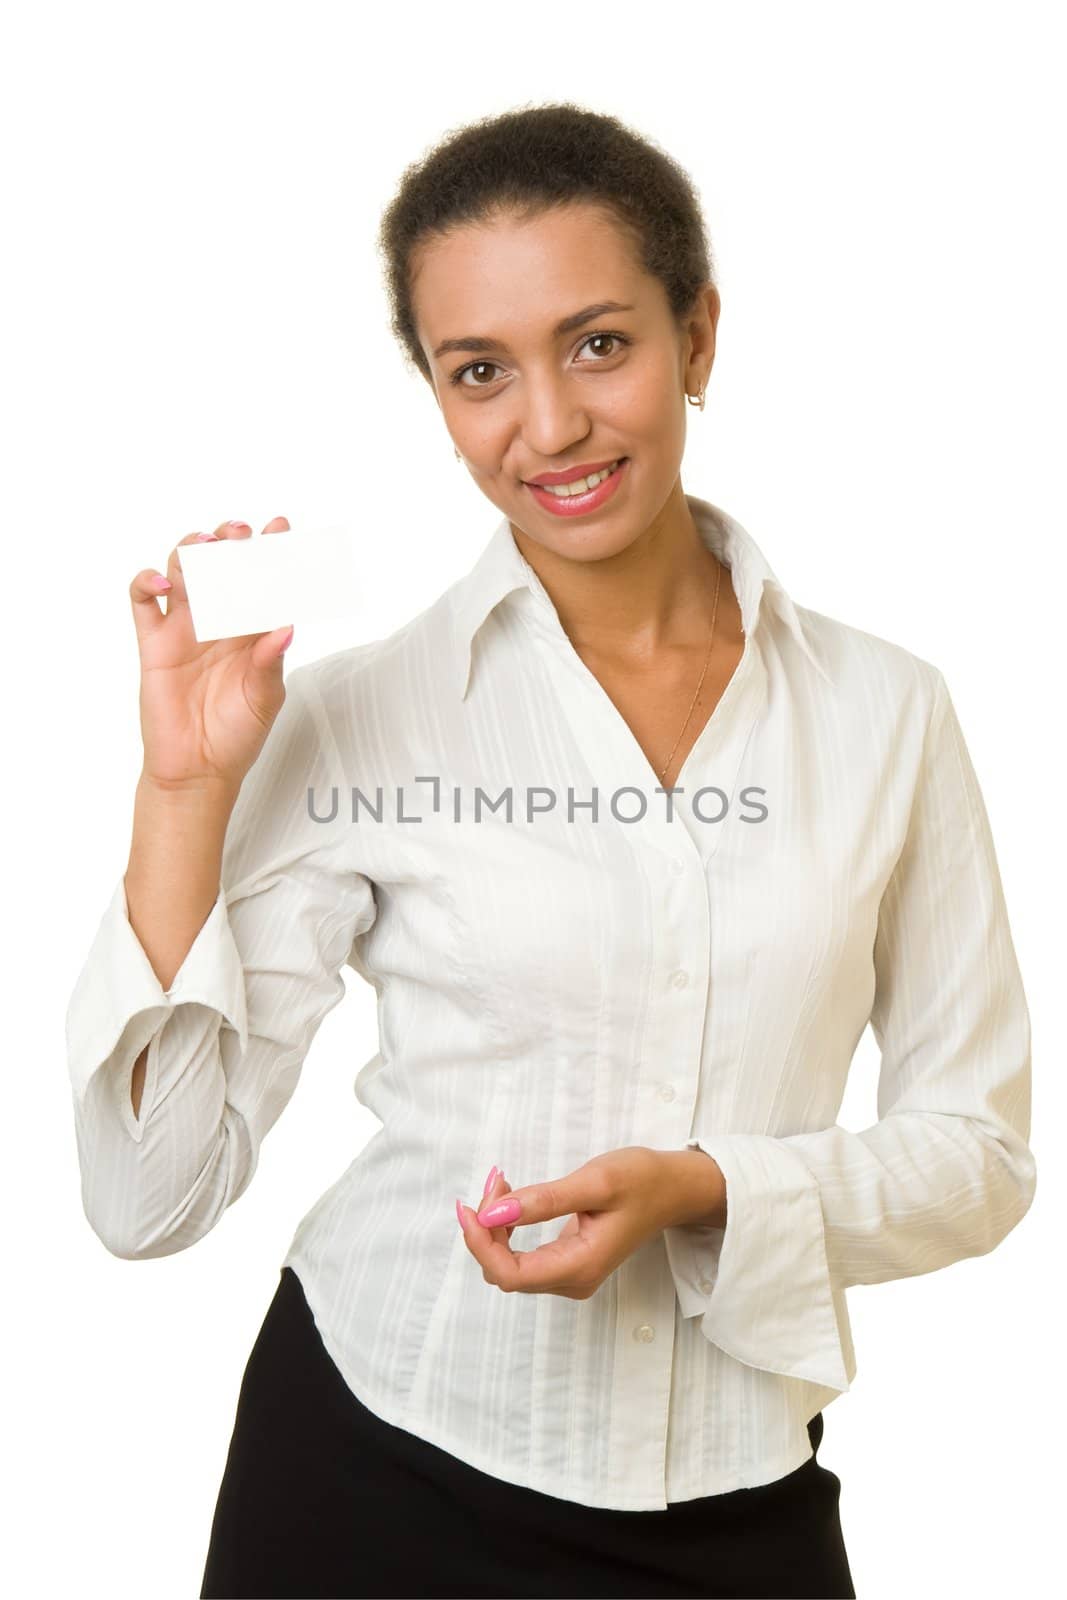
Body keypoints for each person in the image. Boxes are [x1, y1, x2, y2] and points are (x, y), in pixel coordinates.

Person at [64, 103, 1036, 1600]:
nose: (551, 428)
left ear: (697, 337)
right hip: (369, 1467)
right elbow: (150, 1201)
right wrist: (185, 788)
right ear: (440, 398)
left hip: (735, 1495)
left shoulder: (888, 713)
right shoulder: (356, 714)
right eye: (480, 373)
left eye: (599, 344)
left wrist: (707, 1188)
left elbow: (979, 1158)